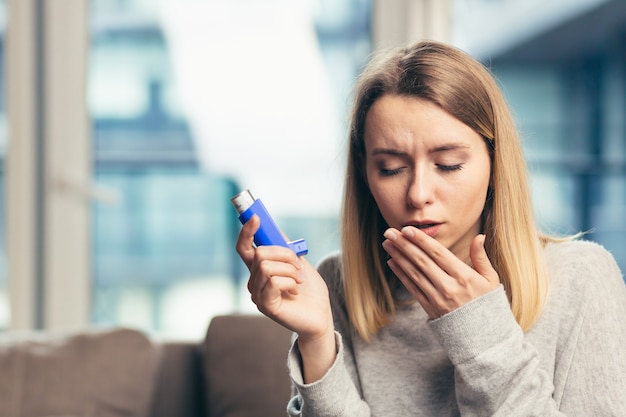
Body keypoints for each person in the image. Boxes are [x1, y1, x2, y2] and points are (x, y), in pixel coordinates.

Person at [235, 40, 626, 416]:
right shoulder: (336, 284)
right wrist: (318, 341)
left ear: (494, 164)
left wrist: (479, 331)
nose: (418, 194)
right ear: (365, 173)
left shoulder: (582, 279)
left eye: (449, 164)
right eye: (390, 168)